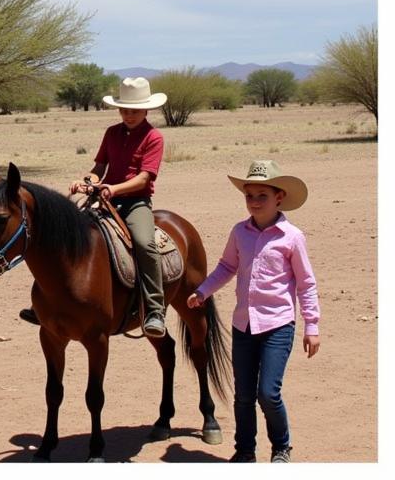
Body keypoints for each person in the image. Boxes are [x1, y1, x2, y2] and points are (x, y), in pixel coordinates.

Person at [187, 160, 319, 463]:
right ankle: (245, 451)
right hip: (243, 325)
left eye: (262, 195)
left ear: (279, 198)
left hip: (278, 325)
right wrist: (203, 291)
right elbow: (227, 266)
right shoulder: (239, 232)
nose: (255, 202)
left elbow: (306, 284)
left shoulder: (292, 237)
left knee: (267, 393)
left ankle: (281, 447)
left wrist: (312, 326)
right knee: (243, 396)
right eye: (249, 196)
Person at [21, 77, 168, 337]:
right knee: (59, 233)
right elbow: (99, 168)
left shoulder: (153, 137)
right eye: (124, 110)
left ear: (146, 110)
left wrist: (114, 189)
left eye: (134, 111)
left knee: (145, 243)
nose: (128, 115)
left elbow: (145, 178)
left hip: (135, 203)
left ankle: (155, 309)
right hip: (104, 198)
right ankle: (44, 304)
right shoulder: (112, 133)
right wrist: (86, 181)